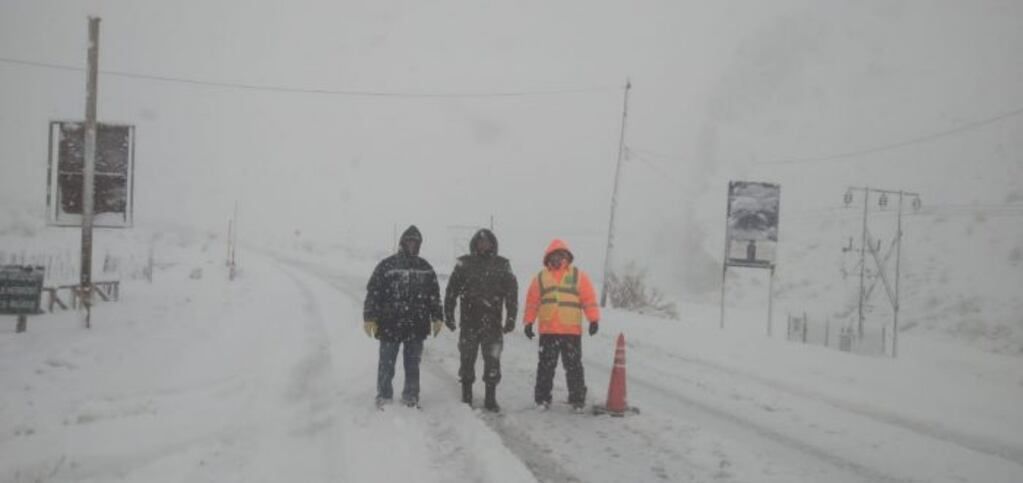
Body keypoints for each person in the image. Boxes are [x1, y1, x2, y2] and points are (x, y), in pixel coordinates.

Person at [363, 225, 444, 408]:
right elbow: (373, 292)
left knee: (413, 365)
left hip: (416, 326)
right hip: (389, 325)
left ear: (419, 244)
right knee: (386, 365)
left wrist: (437, 317)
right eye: (409, 241)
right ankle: (384, 396)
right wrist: (369, 317)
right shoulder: (387, 265)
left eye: (415, 242)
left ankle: (410, 397)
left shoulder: (425, 267)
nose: (412, 245)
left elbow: (434, 295)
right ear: (402, 242)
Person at [444, 229, 518, 412]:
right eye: (480, 242)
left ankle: (490, 398)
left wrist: (511, 317)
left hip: (493, 325)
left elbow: (512, 294)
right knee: (467, 360)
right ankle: (466, 395)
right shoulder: (464, 264)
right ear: (475, 244)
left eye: (487, 242)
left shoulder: (502, 265)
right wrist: (449, 315)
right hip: (469, 323)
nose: (483, 245)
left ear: (493, 244)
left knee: (492, 361)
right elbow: (451, 291)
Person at [523, 239, 600, 412]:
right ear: (548, 257)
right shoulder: (541, 278)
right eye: (554, 255)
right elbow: (532, 303)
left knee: (574, 367)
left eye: (561, 255)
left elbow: (589, 299)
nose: (557, 258)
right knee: (545, 368)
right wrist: (528, 322)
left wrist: (593, 319)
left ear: (566, 256)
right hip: (548, 331)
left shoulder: (578, 276)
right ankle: (542, 399)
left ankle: (577, 399)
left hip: (571, 332)